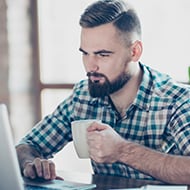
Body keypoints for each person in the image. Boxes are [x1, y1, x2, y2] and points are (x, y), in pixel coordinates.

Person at [16, 0, 190, 184]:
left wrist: (122, 150)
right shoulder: (83, 96)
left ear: (135, 52)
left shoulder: (176, 101)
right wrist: (31, 163)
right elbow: (26, 146)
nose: (90, 66)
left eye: (103, 54)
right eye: (85, 53)